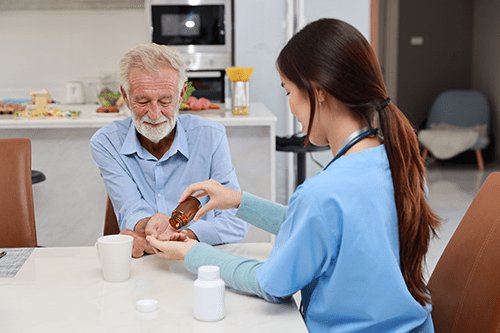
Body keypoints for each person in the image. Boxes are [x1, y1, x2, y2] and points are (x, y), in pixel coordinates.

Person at [147, 19, 440, 332]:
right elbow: (326, 230)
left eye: (288, 92)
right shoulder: (396, 160)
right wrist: (237, 201)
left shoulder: (322, 193)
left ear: (318, 92)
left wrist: (192, 253)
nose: (290, 107)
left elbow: (272, 285)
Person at [90, 43, 248, 258]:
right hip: (145, 263)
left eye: (165, 101)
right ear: (125, 97)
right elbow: (130, 207)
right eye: (142, 101)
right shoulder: (107, 142)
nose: (155, 114)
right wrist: (149, 224)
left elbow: (236, 220)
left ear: (181, 94)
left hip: (199, 258)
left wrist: (185, 236)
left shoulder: (211, 136)